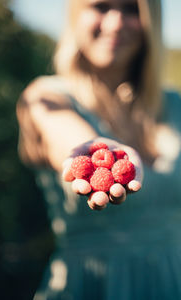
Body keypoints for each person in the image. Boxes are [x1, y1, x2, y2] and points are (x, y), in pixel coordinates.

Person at [16, 0, 181, 299]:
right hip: (88, 287)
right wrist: (92, 151)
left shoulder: (175, 105)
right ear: (76, 14)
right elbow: (63, 135)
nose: (115, 23)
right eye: (101, 6)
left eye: (132, 8)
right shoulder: (46, 97)